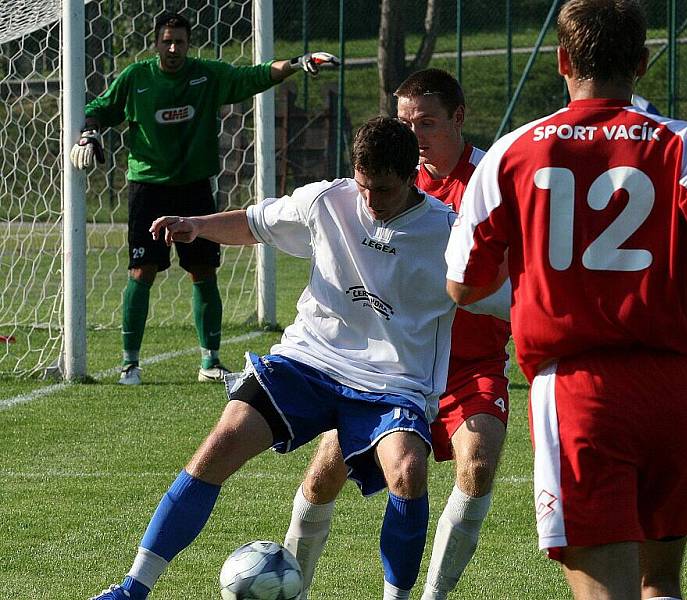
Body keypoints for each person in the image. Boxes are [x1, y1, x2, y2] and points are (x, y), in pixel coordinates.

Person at [89, 117, 509, 600]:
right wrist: (197, 226)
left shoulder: (448, 233)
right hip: (309, 362)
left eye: (385, 191)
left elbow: (507, 295)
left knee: (409, 471)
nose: (371, 200)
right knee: (223, 439)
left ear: (412, 176)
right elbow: (254, 223)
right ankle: (132, 588)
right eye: (364, 185)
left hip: (393, 384)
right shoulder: (328, 200)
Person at [444, 1, 687, 599]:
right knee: (663, 583)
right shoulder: (685, 141)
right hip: (674, 390)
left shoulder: (514, 152)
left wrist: (538, 265)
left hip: (580, 393)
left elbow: (464, 286)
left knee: (606, 589)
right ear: (644, 63)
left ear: (561, 60)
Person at [281, 68, 512, 600]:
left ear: (458, 118)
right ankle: (289, 588)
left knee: (477, 462)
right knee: (323, 477)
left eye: (426, 122)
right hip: (391, 365)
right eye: (404, 122)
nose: (413, 136)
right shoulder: (391, 177)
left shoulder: (495, 181)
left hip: (468, 364)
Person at [69, 11, 339, 385]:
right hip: (148, 186)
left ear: (188, 42)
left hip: (195, 187)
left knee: (203, 271)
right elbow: (100, 109)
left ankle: (210, 361)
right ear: (156, 43)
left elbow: (255, 75)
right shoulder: (136, 78)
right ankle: (130, 363)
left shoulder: (206, 75)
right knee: (141, 271)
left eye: (180, 41)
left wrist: (298, 62)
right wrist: (89, 134)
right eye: (167, 41)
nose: (174, 48)